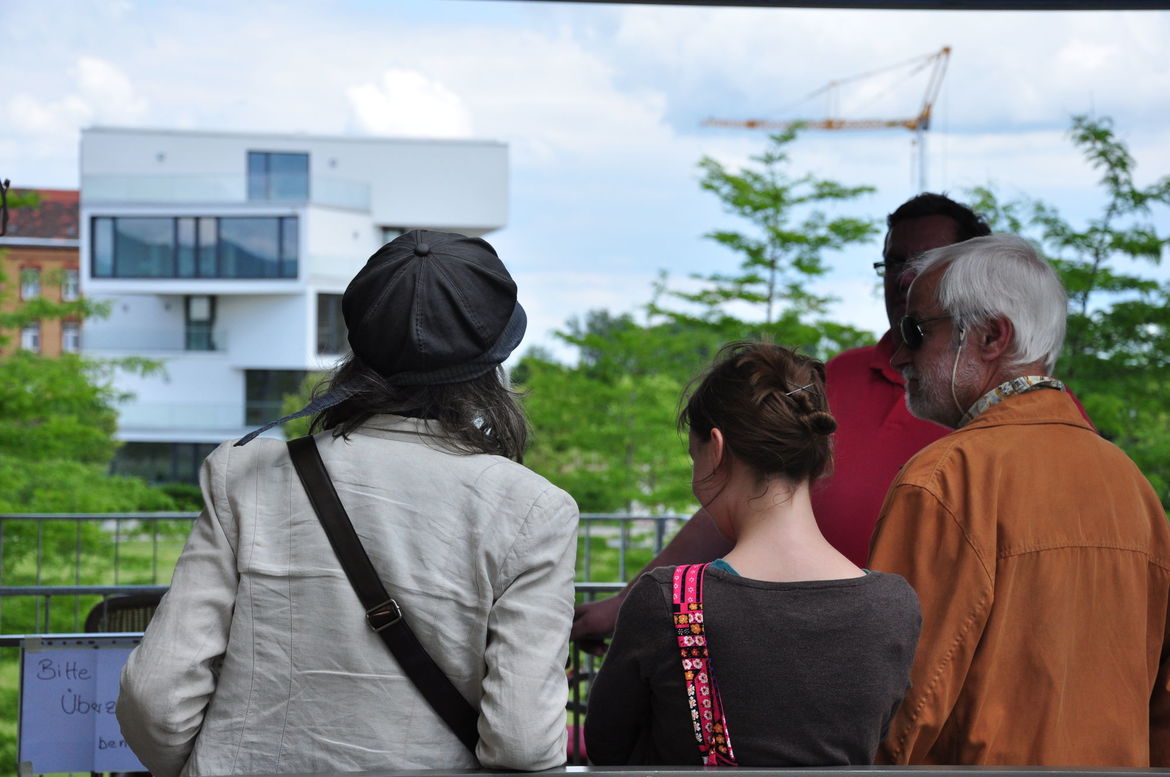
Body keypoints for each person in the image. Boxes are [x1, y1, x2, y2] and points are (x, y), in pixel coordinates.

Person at [117, 230, 580, 775]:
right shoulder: (532, 510)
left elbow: (154, 695)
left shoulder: (246, 475)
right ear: (494, 361)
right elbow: (523, 743)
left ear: (358, 350)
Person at [570, 193, 988, 643]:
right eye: (893, 262)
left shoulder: (1000, 404)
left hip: (934, 666)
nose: (904, 278)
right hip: (801, 652)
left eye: (925, 262)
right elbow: (741, 494)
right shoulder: (841, 375)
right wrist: (624, 604)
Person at [869, 234, 1170, 766]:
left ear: (990, 335)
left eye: (915, 331)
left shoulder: (947, 478)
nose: (897, 354)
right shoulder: (1131, 485)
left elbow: (895, 703)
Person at [585, 342, 920, 766]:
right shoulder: (894, 606)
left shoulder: (669, 600)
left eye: (694, 457)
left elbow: (606, 748)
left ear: (717, 449)